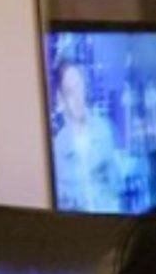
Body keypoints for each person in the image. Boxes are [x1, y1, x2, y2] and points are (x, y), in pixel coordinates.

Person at [51, 59, 123, 213]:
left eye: (79, 87)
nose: (77, 96)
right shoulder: (58, 148)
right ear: (61, 98)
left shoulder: (104, 130)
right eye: (70, 91)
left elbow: (116, 188)